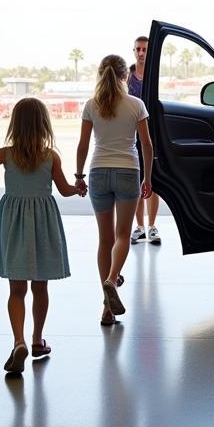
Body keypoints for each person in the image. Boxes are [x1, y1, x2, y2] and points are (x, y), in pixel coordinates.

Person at [0, 98, 79, 372]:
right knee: (40, 287)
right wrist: (79, 188)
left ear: (14, 124)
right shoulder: (51, 157)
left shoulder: (7, 154)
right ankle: (37, 339)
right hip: (42, 226)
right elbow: (64, 190)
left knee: (16, 290)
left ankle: (18, 341)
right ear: (44, 125)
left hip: (13, 225)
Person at [76, 54, 154, 326]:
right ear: (126, 76)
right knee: (123, 235)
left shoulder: (91, 105)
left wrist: (78, 176)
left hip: (98, 172)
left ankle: (107, 309)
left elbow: (83, 146)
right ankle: (112, 280)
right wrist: (148, 178)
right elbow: (147, 145)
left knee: (104, 240)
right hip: (128, 172)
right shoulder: (136, 105)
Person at [127, 35, 161, 245]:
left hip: (150, 134)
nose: (141, 53)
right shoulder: (127, 77)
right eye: (138, 49)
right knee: (136, 182)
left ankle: (152, 226)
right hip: (131, 136)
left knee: (152, 181)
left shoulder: (153, 76)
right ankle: (139, 227)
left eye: (144, 49)